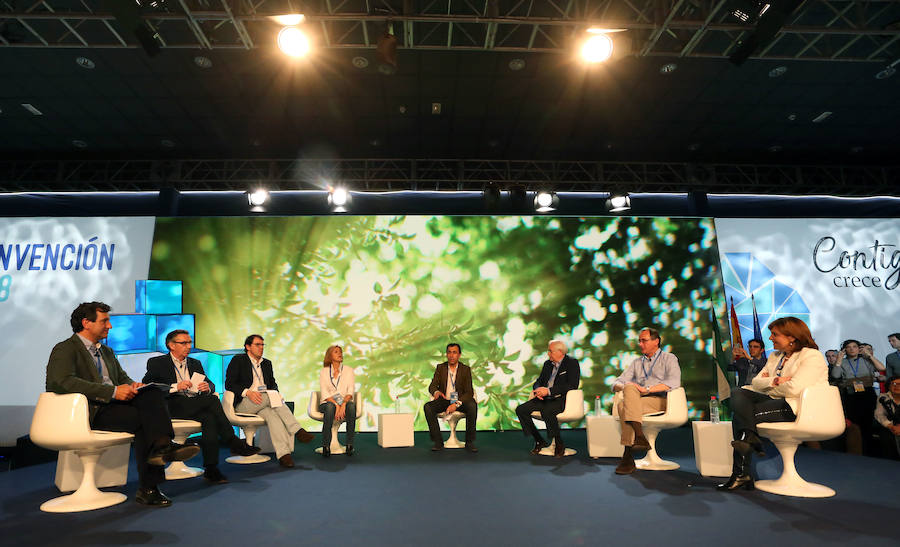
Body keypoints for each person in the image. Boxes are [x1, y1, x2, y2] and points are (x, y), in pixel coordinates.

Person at [46, 302, 200, 507]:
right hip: (91, 411)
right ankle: (152, 477)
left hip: (114, 408)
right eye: (104, 321)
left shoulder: (107, 352)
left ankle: (161, 449)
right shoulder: (65, 349)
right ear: (86, 323)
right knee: (146, 422)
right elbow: (60, 381)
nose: (109, 326)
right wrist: (112, 391)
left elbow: (122, 378)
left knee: (151, 392)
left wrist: (132, 385)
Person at [718, 316, 828, 491]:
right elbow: (756, 383)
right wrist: (777, 381)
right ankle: (749, 441)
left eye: (774, 334)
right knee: (738, 392)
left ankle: (741, 472)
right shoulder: (776, 356)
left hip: (796, 407)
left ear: (791, 337)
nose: (770, 338)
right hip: (775, 401)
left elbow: (794, 389)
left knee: (742, 417)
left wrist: (770, 384)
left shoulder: (811, 356)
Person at [143, 329, 260, 484]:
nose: (188, 346)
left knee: (209, 418)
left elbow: (210, 383)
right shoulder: (157, 363)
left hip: (193, 404)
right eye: (183, 343)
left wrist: (208, 387)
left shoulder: (194, 363)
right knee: (211, 401)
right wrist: (176, 386)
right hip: (171, 405)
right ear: (171, 345)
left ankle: (211, 469)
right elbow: (148, 386)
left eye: (189, 342)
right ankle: (231, 440)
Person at [225, 334, 315, 468]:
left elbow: (273, 384)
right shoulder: (238, 360)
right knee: (269, 397)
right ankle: (297, 430)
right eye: (257, 345)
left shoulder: (267, 363)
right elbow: (229, 383)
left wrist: (276, 393)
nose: (261, 348)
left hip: (264, 403)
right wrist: (248, 392)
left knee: (272, 415)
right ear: (248, 347)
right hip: (244, 403)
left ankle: (284, 455)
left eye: (262, 345)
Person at [611, 328, 681, 475]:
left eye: (644, 340)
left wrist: (646, 389)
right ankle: (639, 437)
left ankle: (628, 454)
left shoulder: (669, 358)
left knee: (624, 406)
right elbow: (617, 383)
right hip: (638, 402)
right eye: (639, 341)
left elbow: (674, 382)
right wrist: (630, 387)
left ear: (656, 341)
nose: (640, 344)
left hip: (661, 401)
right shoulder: (637, 363)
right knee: (628, 391)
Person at [515, 340, 580, 458]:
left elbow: (572, 385)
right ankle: (539, 440)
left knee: (547, 411)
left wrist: (549, 391)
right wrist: (538, 390)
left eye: (550, 351)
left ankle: (559, 443)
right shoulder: (547, 364)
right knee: (521, 410)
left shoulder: (572, 363)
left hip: (560, 399)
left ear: (560, 352)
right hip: (543, 398)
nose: (548, 354)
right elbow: (539, 381)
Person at [831, 338, 884, 455]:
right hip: (851, 395)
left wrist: (869, 355)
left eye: (854, 346)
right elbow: (835, 375)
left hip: (867, 394)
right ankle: (857, 451)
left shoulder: (865, 360)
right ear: (844, 350)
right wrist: (839, 359)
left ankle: (870, 451)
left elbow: (881, 368)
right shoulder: (843, 362)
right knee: (854, 424)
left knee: (868, 423)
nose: (852, 349)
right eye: (849, 347)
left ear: (859, 348)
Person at [423, 343, 478, 452]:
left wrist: (456, 404)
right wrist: (436, 392)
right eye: (449, 352)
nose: (451, 355)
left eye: (454, 352)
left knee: (472, 405)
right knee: (428, 407)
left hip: (459, 401)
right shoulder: (441, 368)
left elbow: (469, 392)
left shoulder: (465, 369)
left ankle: (469, 442)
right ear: (446, 354)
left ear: (459, 355)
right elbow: (432, 386)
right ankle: (438, 442)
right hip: (444, 400)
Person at [319, 345, 356, 457]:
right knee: (330, 407)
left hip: (344, 402)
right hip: (328, 403)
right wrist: (336, 404)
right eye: (336, 352)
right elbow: (324, 392)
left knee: (351, 407)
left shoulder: (348, 370)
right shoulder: (324, 371)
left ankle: (349, 444)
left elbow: (350, 390)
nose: (340, 354)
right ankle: (326, 445)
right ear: (330, 356)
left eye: (340, 352)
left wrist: (343, 404)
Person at [874, 376, 900, 460]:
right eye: (894, 384)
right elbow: (879, 414)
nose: (896, 386)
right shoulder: (883, 397)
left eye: (899, 384)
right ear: (889, 386)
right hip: (889, 428)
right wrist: (891, 426)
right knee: (886, 437)